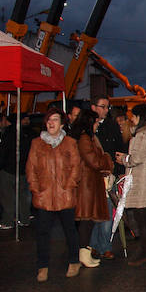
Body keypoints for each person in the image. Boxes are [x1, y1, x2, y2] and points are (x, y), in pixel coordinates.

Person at [26, 107, 82, 282]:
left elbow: (76, 167)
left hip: (65, 195)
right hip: (44, 196)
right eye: (49, 119)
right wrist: (36, 188)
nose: (51, 122)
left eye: (55, 119)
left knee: (70, 230)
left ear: (62, 123)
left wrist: (68, 185)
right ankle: (42, 266)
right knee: (42, 233)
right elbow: (31, 168)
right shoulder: (37, 143)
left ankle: (74, 261)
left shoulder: (70, 143)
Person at [115, 104, 146, 266]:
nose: (132, 120)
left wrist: (123, 158)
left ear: (140, 117)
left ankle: (145, 250)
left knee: (141, 218)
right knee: (145, 217)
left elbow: (136, 159)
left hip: (142, 183)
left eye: (133, 117)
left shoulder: (143, 135)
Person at [69, 109, 114, 267]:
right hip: (87, 186)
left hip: (88, 184)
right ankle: (83, 254)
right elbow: (94, 161)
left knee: (87, 222)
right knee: (86, 221)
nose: (97, 125)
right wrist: (107, 159)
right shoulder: (85, 138)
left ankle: (84, 253)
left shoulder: (83, 137)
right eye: (95, 122)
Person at [92, 95, 125, 178]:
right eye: (103, 107)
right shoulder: (85, 125)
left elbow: (119, 148)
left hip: (111, 171)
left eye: (107, 107)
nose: (106, 110)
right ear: (93, 107)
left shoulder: (112, 125)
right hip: (92, 172)